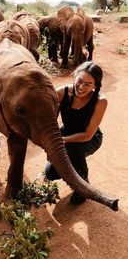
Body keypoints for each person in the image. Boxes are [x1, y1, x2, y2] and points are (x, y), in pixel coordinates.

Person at [45, 61, 107, 204]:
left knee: (73, 150)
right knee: (50, 173)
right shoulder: (61, 93)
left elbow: (87, 135)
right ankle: (74, 170)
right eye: (79, 81)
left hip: (90, 138)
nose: (81, 87)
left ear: (96, 86)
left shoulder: (100, 101)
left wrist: (62, 141)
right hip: (65, 134)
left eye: (88, 84)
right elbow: (51, 121)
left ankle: (83, 186)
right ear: (74, 77)